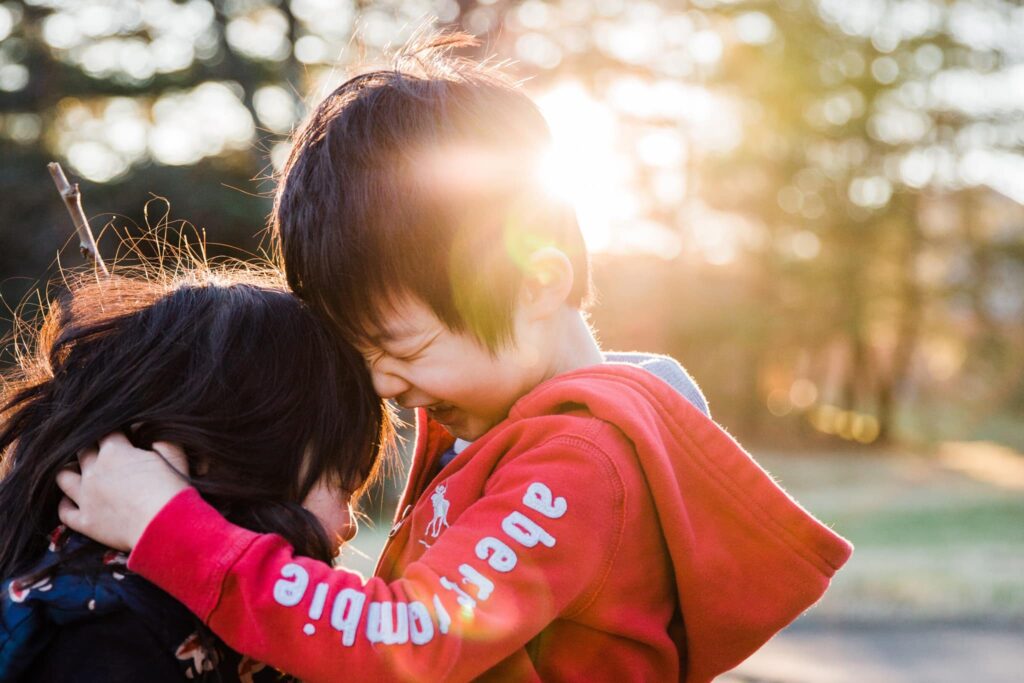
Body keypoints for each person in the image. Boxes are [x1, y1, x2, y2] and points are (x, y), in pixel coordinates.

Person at [56, 33, 853, 682]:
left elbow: (403, 637)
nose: (379, 381)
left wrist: (170, 526)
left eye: (398, 345)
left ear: (536, 284)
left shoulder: (581, 461)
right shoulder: (497, 432)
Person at [0, 267, 389, 681]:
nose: (348, 526)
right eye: (343, 485)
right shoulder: (105, 632)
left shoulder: (206, 612)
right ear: (238, 457)